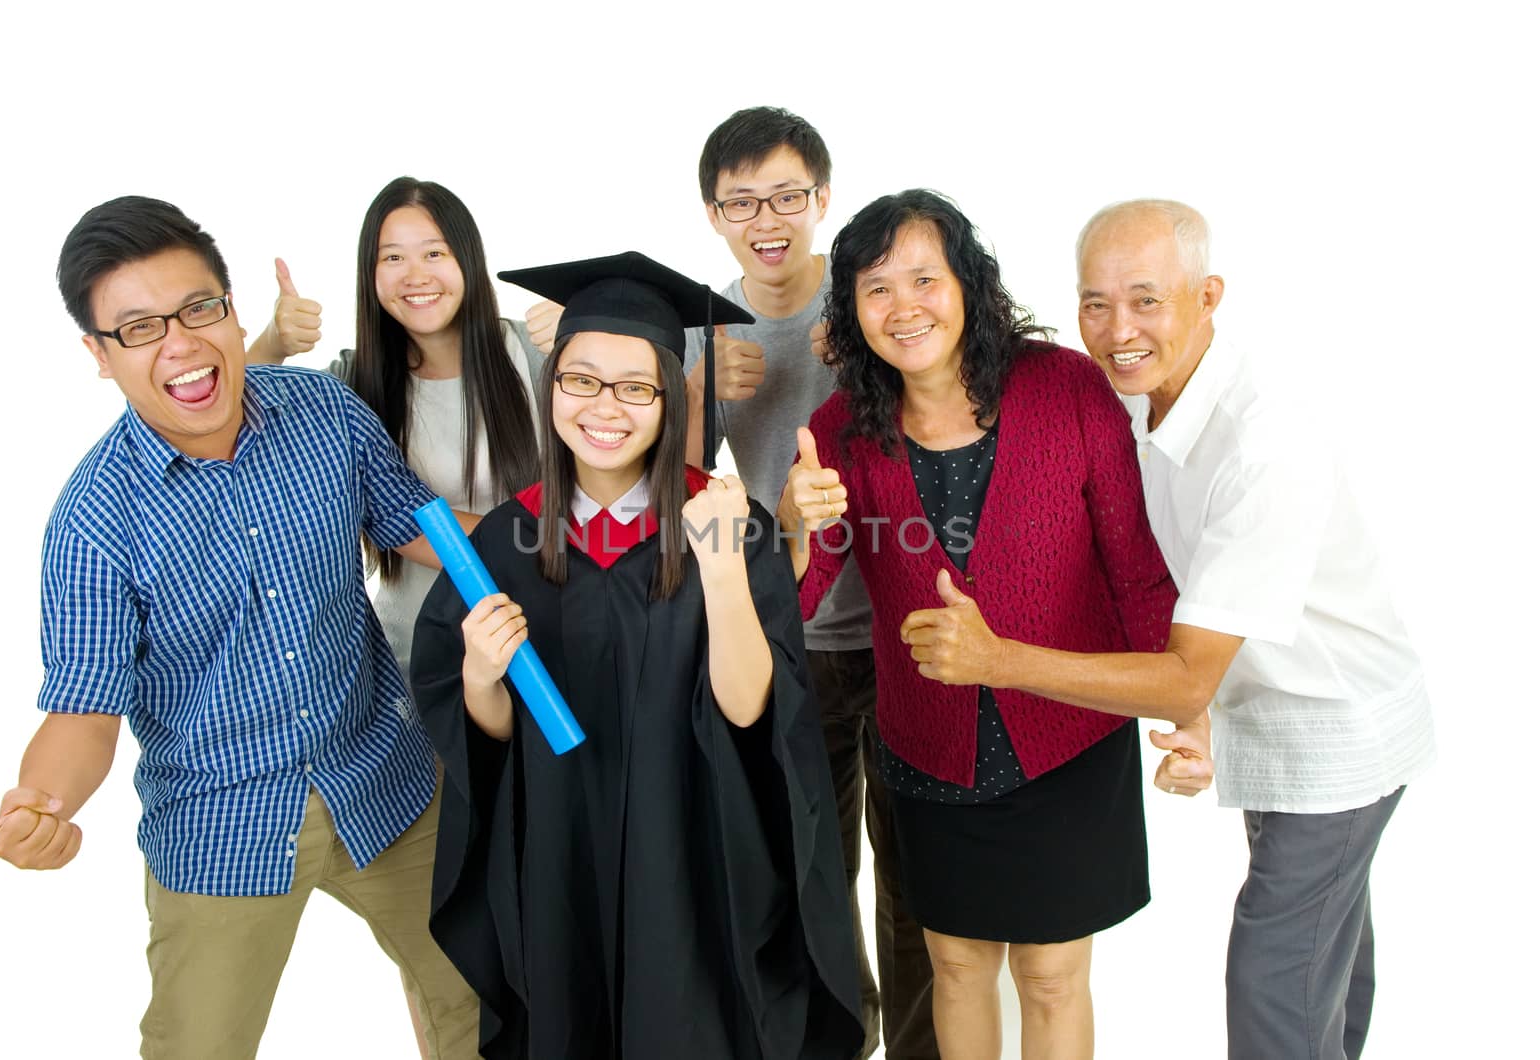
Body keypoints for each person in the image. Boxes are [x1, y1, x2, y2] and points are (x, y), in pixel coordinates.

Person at [0, 196, 479, 1058]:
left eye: (197, 308)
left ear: (231, 307)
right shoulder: (94, 522)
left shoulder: (322, 415)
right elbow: (84, 709)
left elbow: (421, 527)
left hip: (388, 779)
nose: (179, 344)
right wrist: (45, 803)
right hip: (225, 826)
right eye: (138, 328)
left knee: (483, 999)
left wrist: (589, 539)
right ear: (99, 357)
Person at [976, 198, 1436, 1058]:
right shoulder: (1144, 405)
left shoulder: (1266, 442)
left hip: (1338, 730)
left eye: (1146, 300)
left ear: (1208, 295)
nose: (1117, 330)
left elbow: (1188, 669)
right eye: (1095, 303)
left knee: (1274, 971)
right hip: (1268, 711)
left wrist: (996, 660)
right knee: (1326, 961)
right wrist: (1207, 720)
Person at [526, 106, 933, 1059]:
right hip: (782, 633)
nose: (768, 218)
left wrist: (873, 352)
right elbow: (655, 471)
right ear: (713, 214)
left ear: (822, 199)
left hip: (905, 630)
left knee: (916, 886)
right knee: (808, 872)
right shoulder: (694, 326)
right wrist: (705, 395)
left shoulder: (876, 306)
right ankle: (838, 1041)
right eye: (741, 201)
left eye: (788, 196)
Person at [410, 251, 865, 1059]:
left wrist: (722, 572)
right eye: (580, 379)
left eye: (634, 386)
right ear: (550, 387)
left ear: (668, 397)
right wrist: (481, 674)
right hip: (558, 847)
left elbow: (753, 711)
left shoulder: (731, 522)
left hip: (692, 845)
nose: (604, 408)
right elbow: (487, 736)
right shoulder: (508, 543)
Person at [779, 189, 1179, 1060]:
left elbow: (1136, 568)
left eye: (925, 277)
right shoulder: (838, 429)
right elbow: (800, 602)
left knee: (1050, 976)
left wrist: (1190, 711)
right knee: (956, 967)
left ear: (968, 284)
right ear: (850, 310)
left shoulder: (1066, 385)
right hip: (928, 746)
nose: (903, 306)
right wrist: (794, 525)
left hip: (1069, 736)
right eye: (875, 288)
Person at [249, 176, 542, 678]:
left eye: (433, 254)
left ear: (468, 259)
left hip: (538, 644)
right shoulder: (350, 385)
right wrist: (272, 345)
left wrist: (587, 339)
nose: (415, 276)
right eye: (392, 258)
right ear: (370, 273)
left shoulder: (533, 354)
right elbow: (234, 417)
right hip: (415, 660)